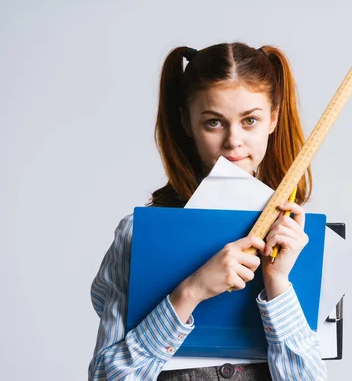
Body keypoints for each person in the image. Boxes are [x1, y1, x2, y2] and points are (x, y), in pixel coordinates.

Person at [88, 42, 327, 381]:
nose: (233, 141)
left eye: (251, 120)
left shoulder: (297, 239)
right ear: (187, 122)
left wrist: (277, 282)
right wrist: (192, 290)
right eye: (214, 122)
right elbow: (106, 377)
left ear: (273, 118)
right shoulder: (139, 235)